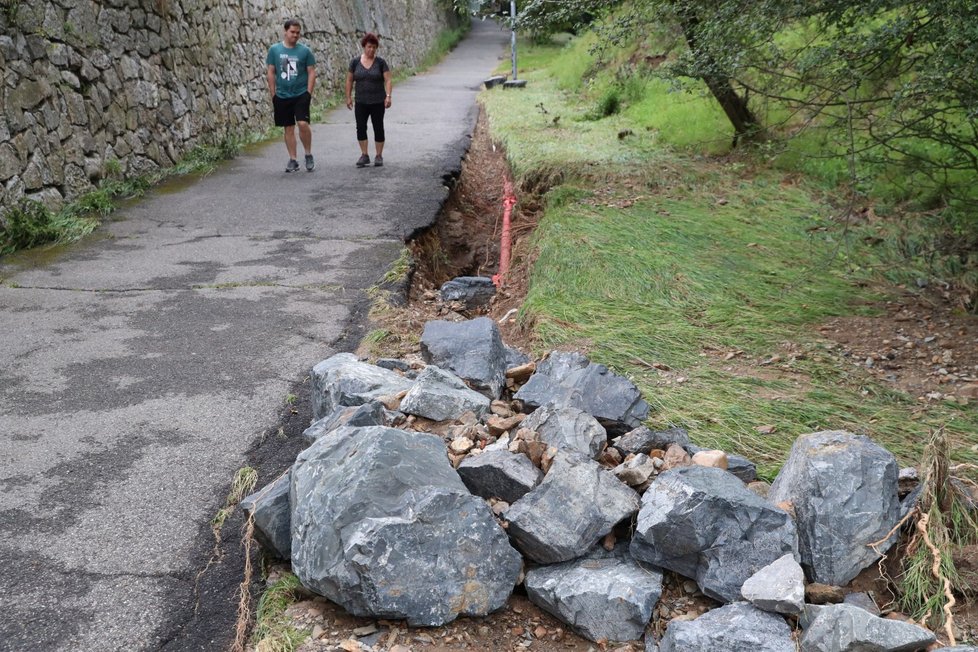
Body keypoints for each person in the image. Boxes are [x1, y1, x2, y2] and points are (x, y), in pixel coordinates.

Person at [266, 18, 317, 173]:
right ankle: (293, 159)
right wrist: (273, 94)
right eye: (292, 32)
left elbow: (311, 72)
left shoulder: (305, 51)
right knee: (288, 127)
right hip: (282, 95)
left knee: (302, 123)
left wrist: (308, 92)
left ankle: (308, 154)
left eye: (298, 33)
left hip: (301, 93)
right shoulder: (274, 50)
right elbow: (271, 71)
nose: (295, 35)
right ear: (285, 32)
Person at [345, 33, 392, 168]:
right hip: (361, 101)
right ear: (364, 47)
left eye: (374, 47)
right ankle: (364, 154)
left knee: (378, 127)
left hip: (378, 101)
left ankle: (378, 155)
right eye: (369, 47)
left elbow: (388, 80)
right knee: (360, 127)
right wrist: (348, 97)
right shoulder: (355, 62)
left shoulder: (381, 63)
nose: (371, 50)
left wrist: (388, 96)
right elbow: (349, 80)